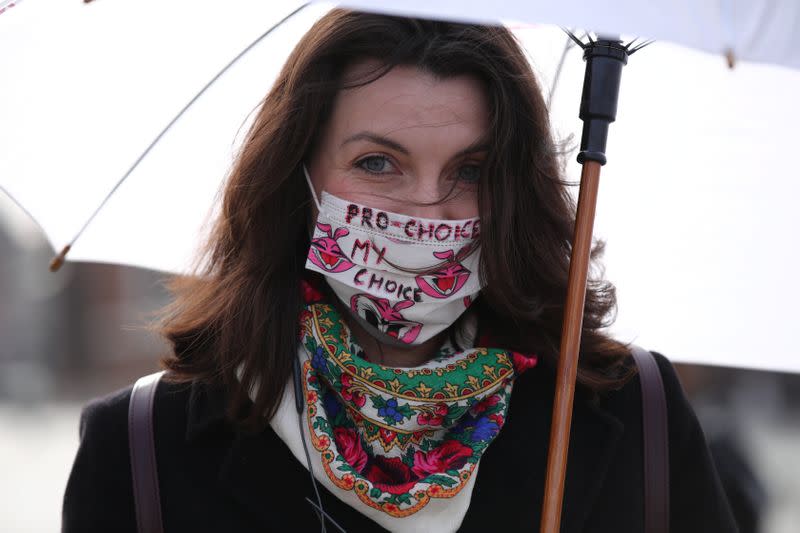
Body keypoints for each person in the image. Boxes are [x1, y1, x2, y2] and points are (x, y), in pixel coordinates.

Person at [61, 9, 738, 533]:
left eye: (469, 171)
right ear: (298, 179)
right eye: (376, 163)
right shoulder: (143, 446)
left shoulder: (635, 411)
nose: (425, 208)